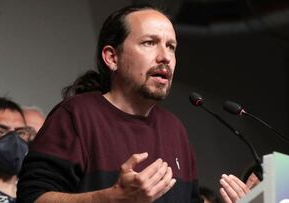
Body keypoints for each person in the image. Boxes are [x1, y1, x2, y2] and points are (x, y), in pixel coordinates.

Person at [17, 4, 201, 203]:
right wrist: (113, 198)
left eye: (171, 47)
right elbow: (32, 198)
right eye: (149, 42)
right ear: (112, 57)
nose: (165, 57)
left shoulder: (175, 129)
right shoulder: (76, 115)